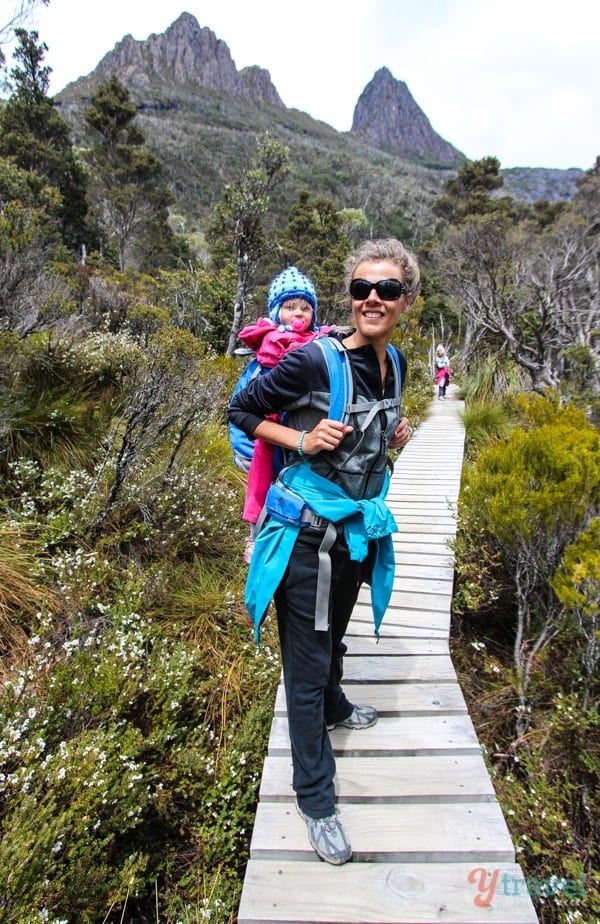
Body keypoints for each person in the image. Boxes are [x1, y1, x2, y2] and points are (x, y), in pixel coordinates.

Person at [228, 238, 419, 865]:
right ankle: (315, 799)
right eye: (362, 287)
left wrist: (394, 432)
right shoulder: (316, 360)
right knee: (304, 669)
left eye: (386, 289)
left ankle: (338, 704)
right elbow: (241, 409)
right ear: (350, 295)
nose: (372, 298)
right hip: (308, 538)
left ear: (405, 301)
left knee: (334, 634)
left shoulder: (399, 364)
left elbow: (371, 434)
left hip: (357, 531)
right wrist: (301, 439)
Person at [237, 266, 333, 563]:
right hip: (270, 436)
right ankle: (257, 536)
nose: (299, 313)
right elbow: (240, 407)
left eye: (306, 308)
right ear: (276, 310)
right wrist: (244, 449)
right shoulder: (265, 350)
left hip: (308, 440)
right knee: (263, 484)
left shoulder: (323, 346)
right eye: (290, 307)